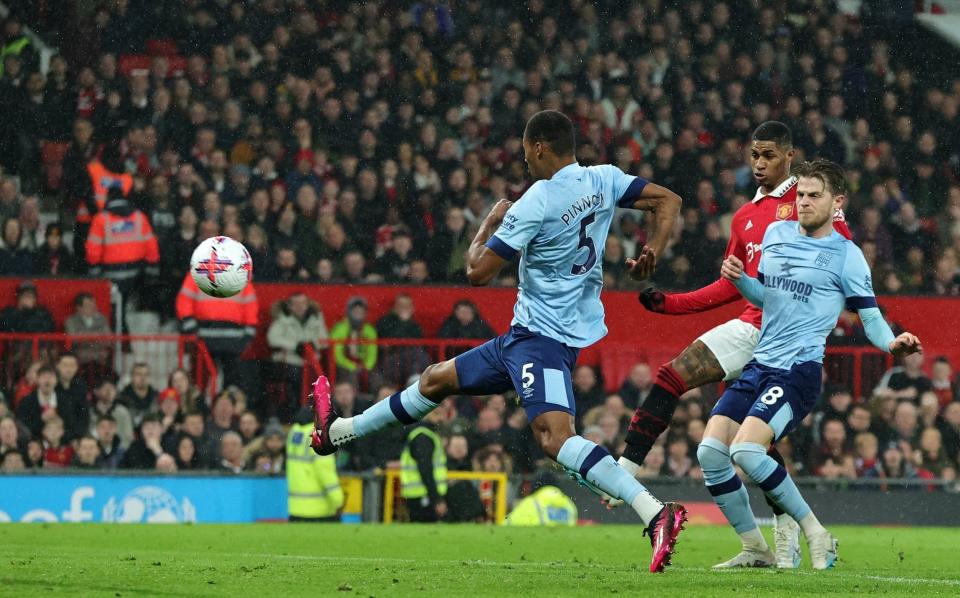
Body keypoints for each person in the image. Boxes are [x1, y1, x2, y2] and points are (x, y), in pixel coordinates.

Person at [310, 110, 685, 572]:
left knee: (554, 438)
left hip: (543, 339)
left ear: (540, 148)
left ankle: (655, 514)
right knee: (434, 381)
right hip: (522, 337)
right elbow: (668, 200)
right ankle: (337, 432)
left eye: (526, 150)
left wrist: (487, 226)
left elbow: (477, 273)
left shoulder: (537, 200)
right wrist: (653, 250)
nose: (524, 158)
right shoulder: (604, 179)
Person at [619, 122, 852, 568]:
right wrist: (669, 303)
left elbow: (841, 256)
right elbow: (727, 287)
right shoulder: (745, 217)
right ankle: (760, 543)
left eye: (768, 155)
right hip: (750, 325)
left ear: (788, 155)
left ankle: (626, 470)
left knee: (743, 440)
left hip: (785, 336)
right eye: (754, 156)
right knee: (710, 433)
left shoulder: (808, 202)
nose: (759, 163)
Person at [701, 159, 922, 570]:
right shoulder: (776, 233)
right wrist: (739, 279)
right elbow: (765, 298)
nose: (802, 202)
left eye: (813, 195)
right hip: (759, 365)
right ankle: (755, 548)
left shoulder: (847, 256)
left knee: (747, 451)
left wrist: (893, 343)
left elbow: (869, 318)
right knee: (711, 452)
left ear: (836, 201)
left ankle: (817, 532)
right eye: (799, 194)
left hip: (797, 371)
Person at [266, 292, 329, 419]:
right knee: (294, 383)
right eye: (296, 304)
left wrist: (313, 344)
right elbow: (272, 338)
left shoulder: (315, 319)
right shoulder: (283, 319)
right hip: (289, 362)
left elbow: (325, 340)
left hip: (311, 364)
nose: (300, 306)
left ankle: (309, 415)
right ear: (290, 306)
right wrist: (295, 346)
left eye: (303, 303)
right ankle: (293, 415)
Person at [286, 405, 343, 522]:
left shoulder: (294, 432)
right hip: (320, 510)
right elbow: (325, 472)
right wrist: (338, 501)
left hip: (296, 509)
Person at [400, 409, 449, 522]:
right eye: (437, 413)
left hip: (419, 493)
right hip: (423, 494)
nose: (441, 418)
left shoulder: (424, 433)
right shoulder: (423, 436)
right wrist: (436, 499)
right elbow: (425, 470)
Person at [329, 296, 378, 391]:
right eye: (355, 312)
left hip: (365, 366)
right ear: (349, 312)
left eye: (361, 312)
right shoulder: (340, 329)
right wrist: (353, 366)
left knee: (376, 378)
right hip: (344, 366)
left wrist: (366, 367)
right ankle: (355, 401)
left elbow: (372, 353)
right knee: (351, 378)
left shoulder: (370, 330)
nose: (358, 315)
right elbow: (336, 354)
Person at [118, 362, 158, 427]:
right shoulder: (122, 399)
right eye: (138, 374)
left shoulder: (156, 397)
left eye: (146, 374)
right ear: (132, 377)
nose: (143, 378)